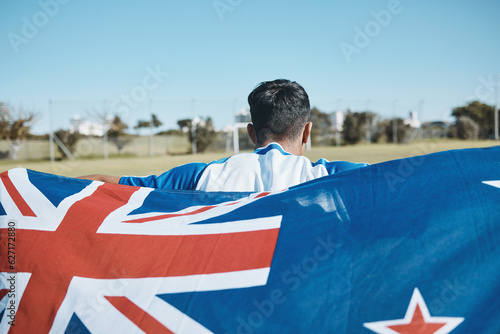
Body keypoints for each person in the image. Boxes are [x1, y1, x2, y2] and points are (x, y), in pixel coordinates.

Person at [79, 79, 368, 191]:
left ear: (251, 132)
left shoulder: (201, 176)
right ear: (307, 132)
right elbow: (408, 181)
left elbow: (106, 185)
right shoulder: (336, 177)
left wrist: (35, 185)